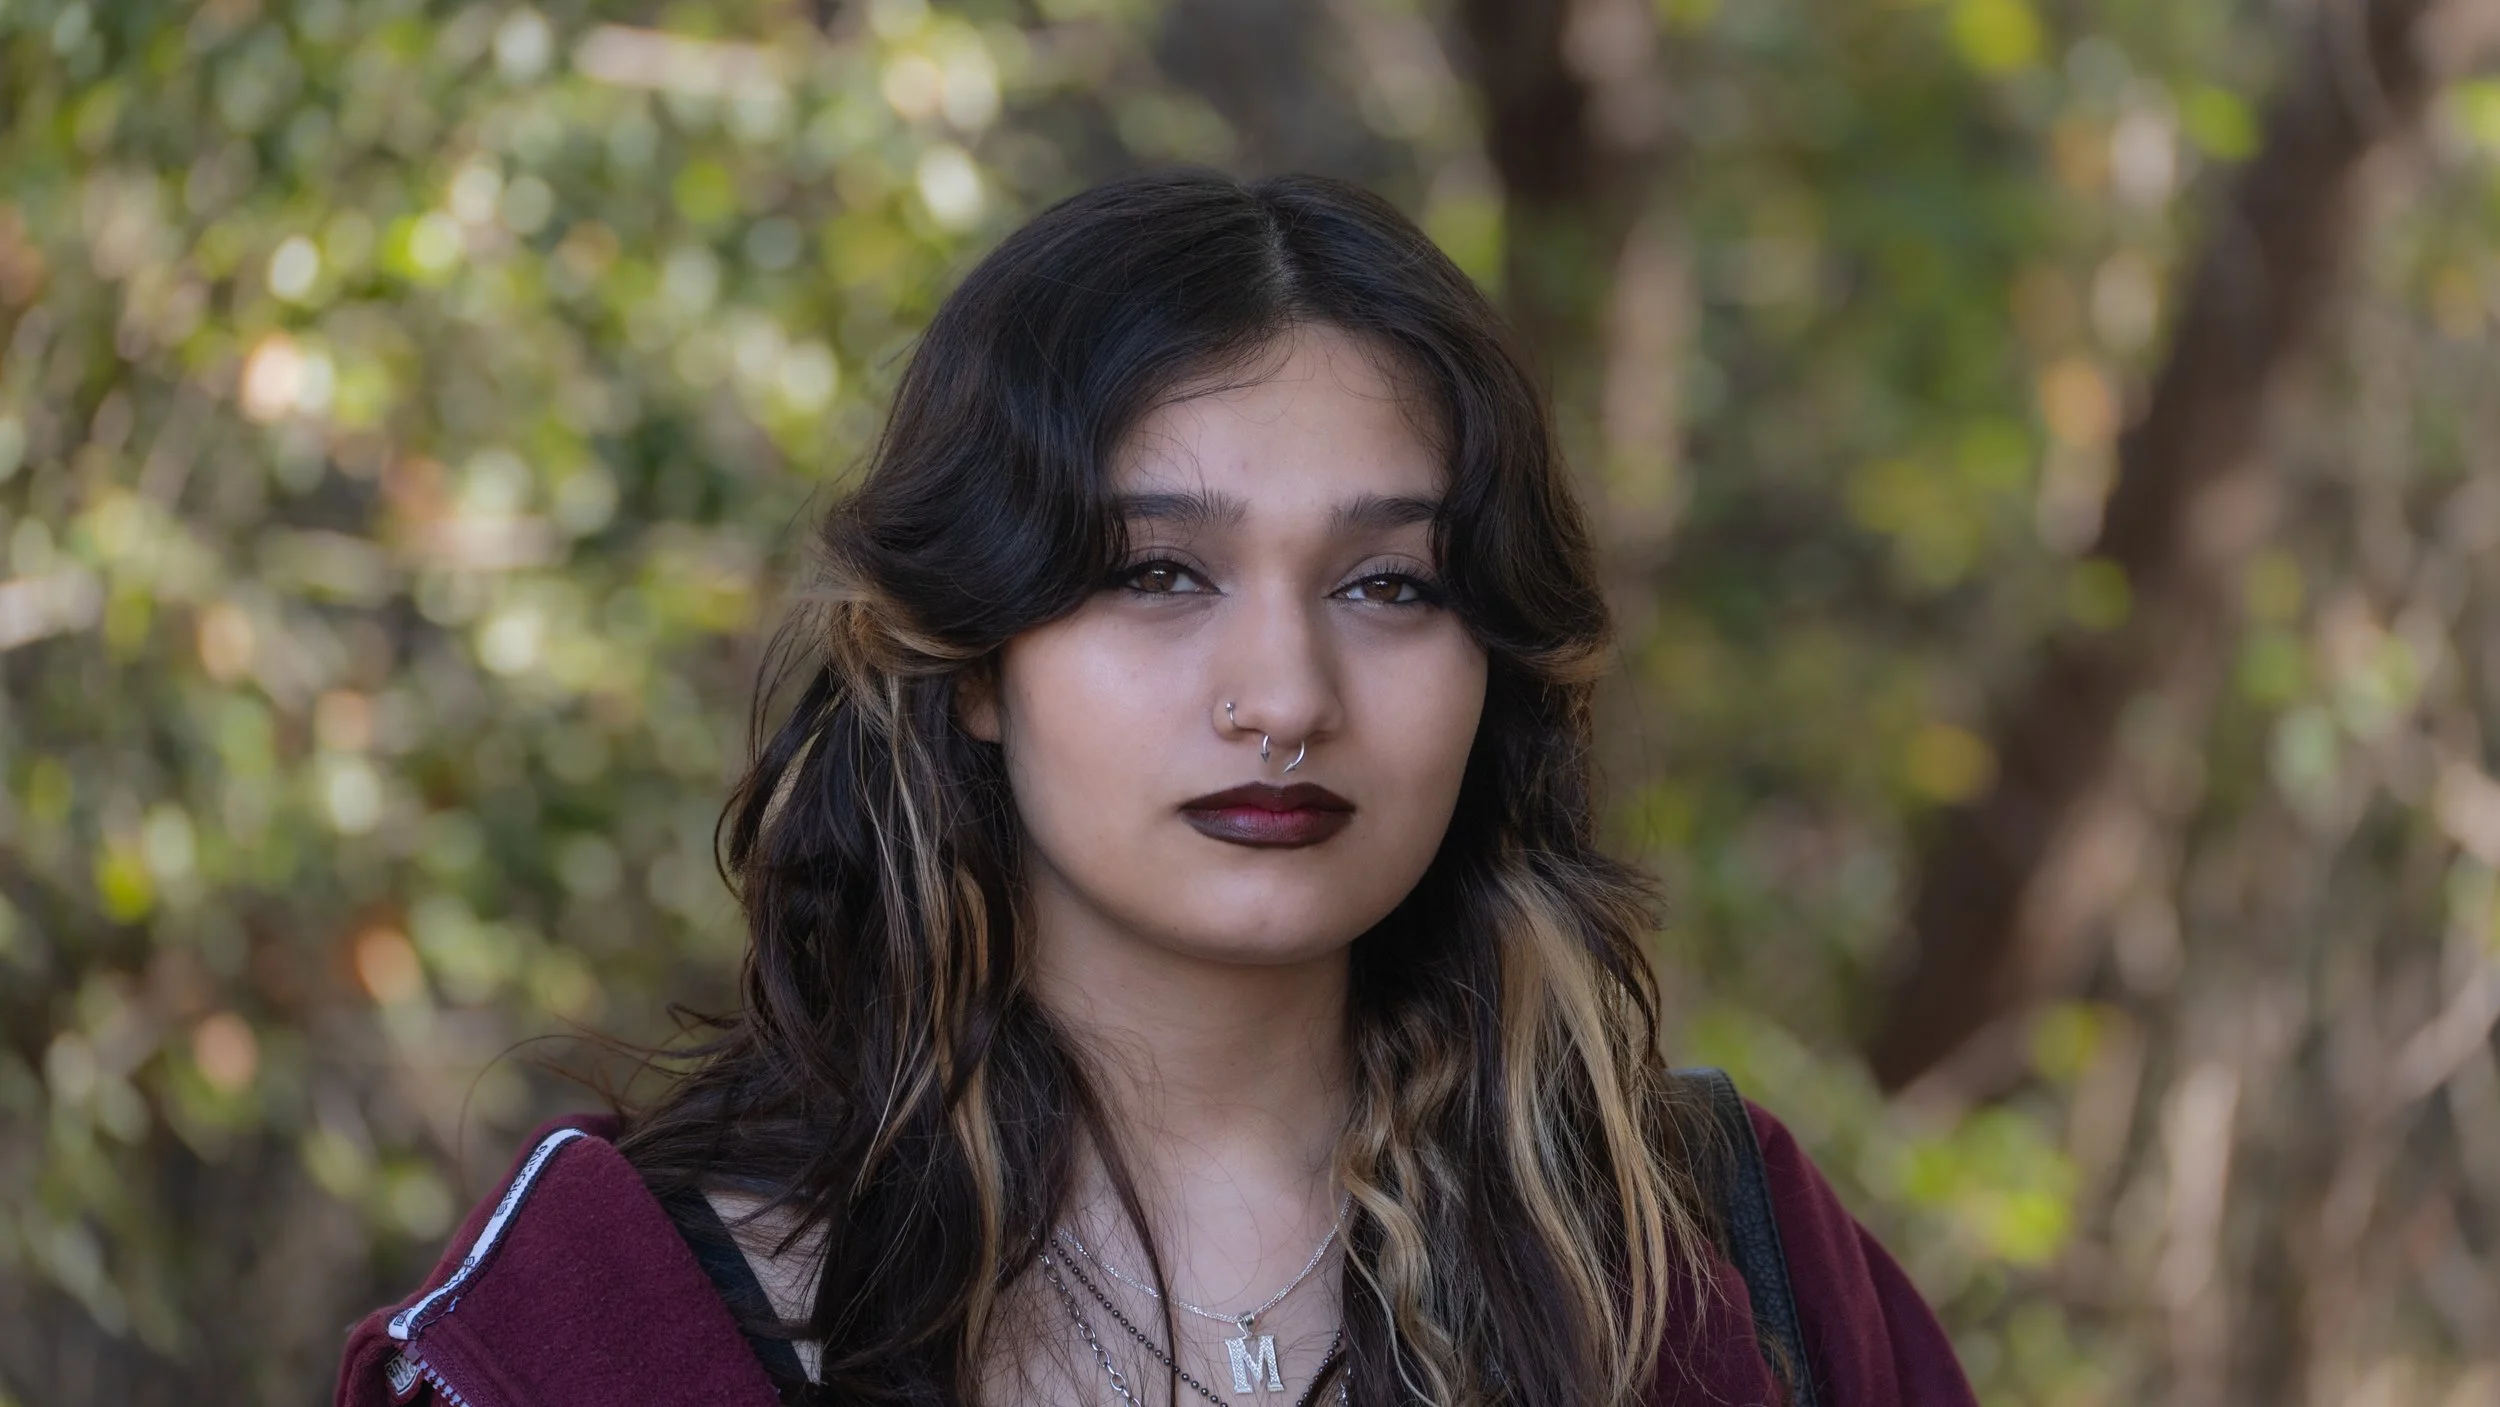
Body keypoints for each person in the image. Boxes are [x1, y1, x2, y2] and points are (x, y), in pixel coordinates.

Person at [336, 169, 1976, 1407]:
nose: (1285, 698)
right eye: (1158, 573)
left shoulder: (1723, 1271)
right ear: (975, 659)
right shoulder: (611, 1316)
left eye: (1389, 584)